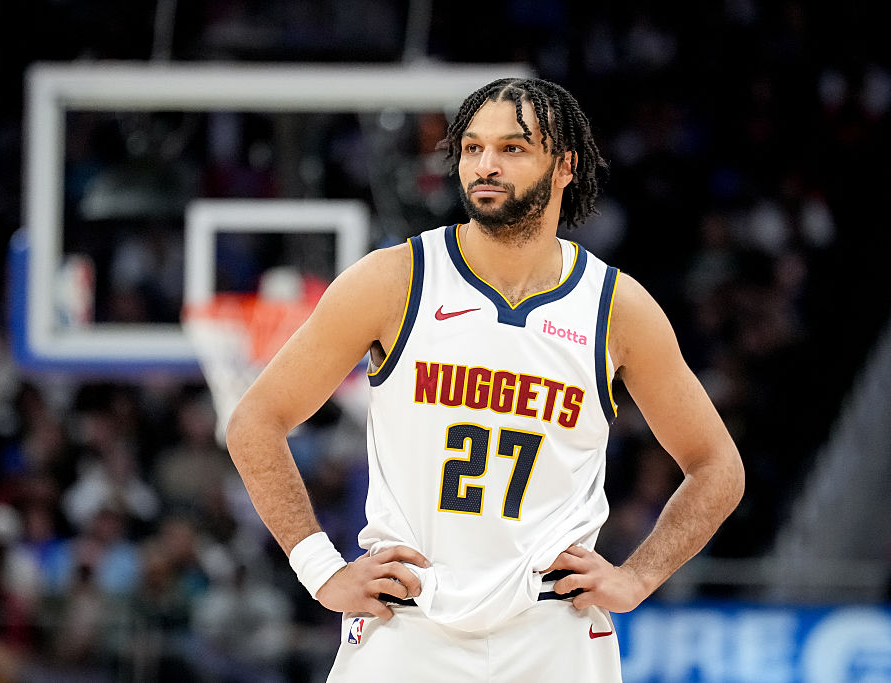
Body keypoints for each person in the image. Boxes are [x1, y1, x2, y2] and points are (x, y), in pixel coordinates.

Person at [225, 78, 744, 682]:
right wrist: (319, 568)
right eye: (472, 148)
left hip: (554, 626)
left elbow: (718, 467)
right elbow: (254, 422)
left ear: (564, 166)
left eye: (513, 149)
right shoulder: (395, 281)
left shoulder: (616, 308)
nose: (486, 165)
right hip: (407, 618)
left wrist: (638, 576)